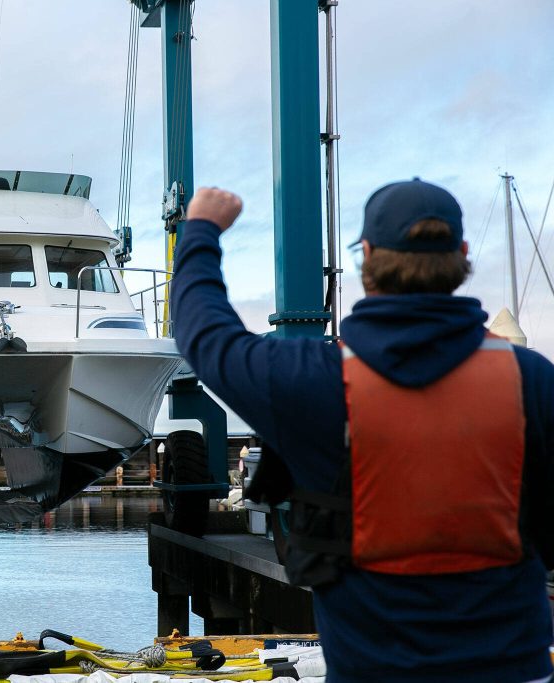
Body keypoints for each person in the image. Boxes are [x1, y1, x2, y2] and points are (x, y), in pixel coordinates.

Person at [171, 179, 554, 683]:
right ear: (462, 255)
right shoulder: (532, 380)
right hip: (514, 667)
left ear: (367, 256)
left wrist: (201, 229)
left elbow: (204, 332)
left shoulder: (311, 379)